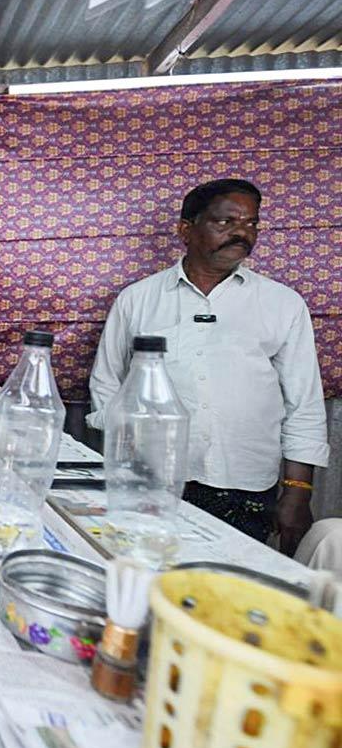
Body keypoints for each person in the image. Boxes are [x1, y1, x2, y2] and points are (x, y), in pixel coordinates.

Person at [88, 178, 330, 556]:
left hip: (246, 486)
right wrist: (130, 457)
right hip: (152, 481)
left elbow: (305, 404)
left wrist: (297, 493)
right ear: (186, 229)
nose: (241, 233)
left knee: (227, 593)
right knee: (146, 578)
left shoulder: (283, 304)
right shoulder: (138, 299)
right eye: (225, 222)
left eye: (251, 223)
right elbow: (106, 385)